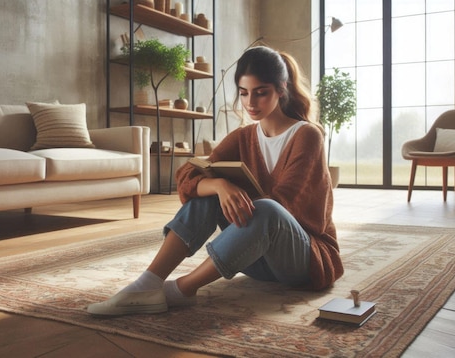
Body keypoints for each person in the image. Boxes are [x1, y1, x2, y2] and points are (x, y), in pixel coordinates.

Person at [87, 46, 343, 316]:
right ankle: (147, 283)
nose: (250, 103)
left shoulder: (307, 135)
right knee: (210, 190)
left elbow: (286, 205)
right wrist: (221, 186)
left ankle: (181, 290)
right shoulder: (244, 137)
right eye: (244, 93)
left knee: (267, 209)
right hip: (256, 259)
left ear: (281, 89)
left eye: (261, 92)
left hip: (304, 260)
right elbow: (186, 174)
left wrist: (234, 193)